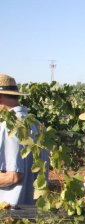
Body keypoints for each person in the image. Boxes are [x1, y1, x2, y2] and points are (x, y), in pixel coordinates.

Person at [0, 73, 49, 207]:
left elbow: (13, 176)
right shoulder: (38, 125)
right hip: (33, 212)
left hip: (9, 214)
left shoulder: (9, 126)